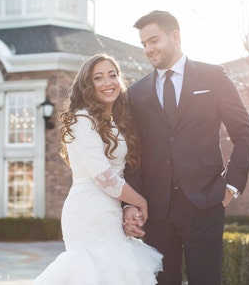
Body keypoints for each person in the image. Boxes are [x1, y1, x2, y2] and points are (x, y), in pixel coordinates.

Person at [123, 10, 249, 285]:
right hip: (156, 208)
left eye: (153, 40)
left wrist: (231, 185)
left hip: (205, 203)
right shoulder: (136, 93)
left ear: (175, 36)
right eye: (144, 44)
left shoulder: (213, 77)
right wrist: (131, 203)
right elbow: (133, 152)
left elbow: (244, 133)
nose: (148, 49)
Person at [35, 54, 162, 285]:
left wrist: (127, 206)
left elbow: (120, 174)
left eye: (112, 75)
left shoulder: (113, 120)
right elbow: (105, 177)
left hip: (110, 211)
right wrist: (141, 202)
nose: (108, 82)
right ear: (88, 85)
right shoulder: (81, 119)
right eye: (98, 78)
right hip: (88, 213)